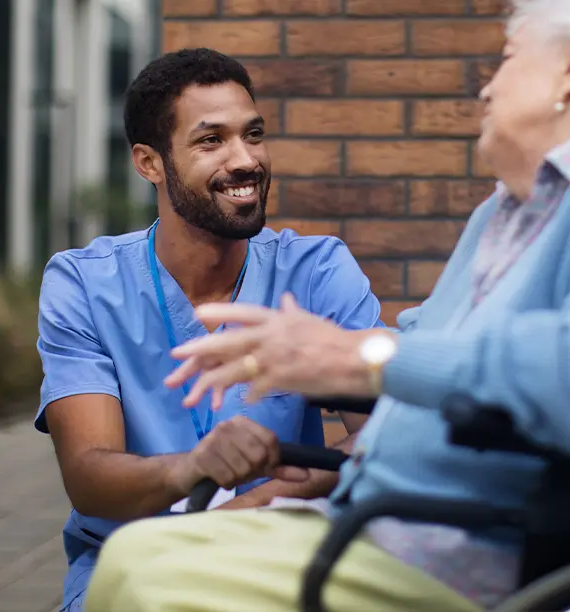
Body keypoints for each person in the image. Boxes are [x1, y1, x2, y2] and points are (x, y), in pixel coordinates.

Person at [84, 1, 570, 611]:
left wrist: (365, 354)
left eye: (509, 59)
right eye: (211, 140)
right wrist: (347, 419)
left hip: (452, 546)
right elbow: (420, 345)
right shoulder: (502, 211)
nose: (487, 87)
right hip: (369, 514)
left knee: (149, 580)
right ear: (148, 162)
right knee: (129, 557)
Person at [36, 48, 383, 611]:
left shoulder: (316, 270)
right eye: (211, 140)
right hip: (133, 560)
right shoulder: (84, 285)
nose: (245, 159)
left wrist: (258, 504)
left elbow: (384, 436)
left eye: (254, 134)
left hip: (284, 546)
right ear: (149, 163)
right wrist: (192, 467)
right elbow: (89, 475)